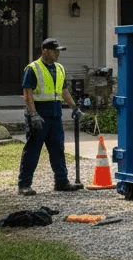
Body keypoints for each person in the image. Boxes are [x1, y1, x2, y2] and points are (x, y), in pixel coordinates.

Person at [18, 38, 84, 195]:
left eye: (59, 51)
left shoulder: (60, 68)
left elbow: (63, 90)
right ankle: (24, 185)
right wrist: (33, 114)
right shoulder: (33, 68)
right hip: (39, 114)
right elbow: (27, 94)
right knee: (33, 150)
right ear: (45, 51)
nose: (58, 54)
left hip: (55, 113)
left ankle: (61, 182)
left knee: (58, 149)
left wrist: (74, 107)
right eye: (55, 51)